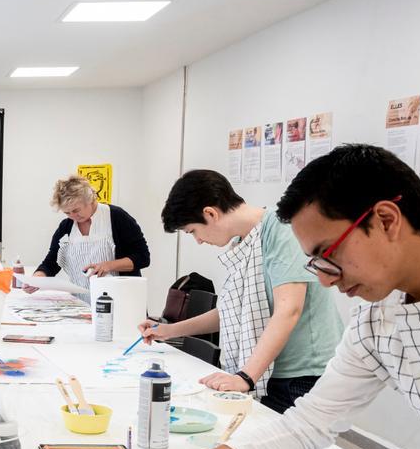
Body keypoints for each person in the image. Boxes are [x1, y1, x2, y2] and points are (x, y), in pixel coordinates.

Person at [111, 144, 420, 449]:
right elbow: (305, 426)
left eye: (327, 254)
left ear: (385, 219)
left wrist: (245, 376)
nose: (324, 279)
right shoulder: (376, 315)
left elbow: (288, 310)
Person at [137, 170, 343, 412]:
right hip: (266, 370)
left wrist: (245, 377)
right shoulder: (243, 243)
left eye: (193, 231)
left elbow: (289, 310)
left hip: (300, 375)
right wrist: (169, 330)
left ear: (210, 213)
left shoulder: (280, 231)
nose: (199, 241)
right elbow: (229, 311)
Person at [31, 175, 150, 298]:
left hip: (122, 299)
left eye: (76, 210)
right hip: (82, 303)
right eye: (67, 212)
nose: (73, 216)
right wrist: (39, 277)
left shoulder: (116, 217)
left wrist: (109, 265)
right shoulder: (66, 227)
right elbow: (51, 261)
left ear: (91, 200)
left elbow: (143, 257)